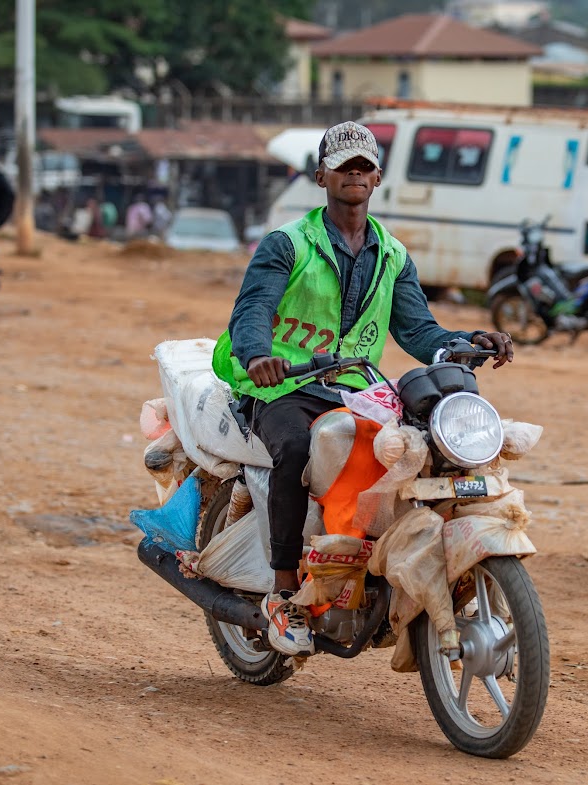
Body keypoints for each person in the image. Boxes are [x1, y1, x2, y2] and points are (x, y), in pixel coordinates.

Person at [211, 121, 513, 656]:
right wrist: (258, 355)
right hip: (283, 383)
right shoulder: (287, 243)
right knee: (297, 449)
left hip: (353, 388)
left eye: (364, 166)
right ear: (321, 175)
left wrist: (468, 343)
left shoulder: (392, 255)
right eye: (343, 165)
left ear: (377, 177)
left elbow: (420, 331)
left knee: (416, 453)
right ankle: (283, 592)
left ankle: (369, 566)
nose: (354, 174)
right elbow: (252, 308)